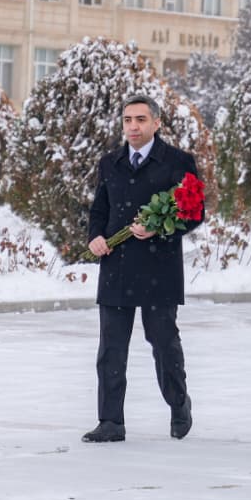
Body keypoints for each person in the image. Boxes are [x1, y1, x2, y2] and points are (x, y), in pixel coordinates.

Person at [82, 94, 202, 443]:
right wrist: (95, 237)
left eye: (140, 120)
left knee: (164, 344)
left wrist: (160, 227)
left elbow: (194, 212)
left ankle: (179, 404)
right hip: (116, 268)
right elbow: (99, 210)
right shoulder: (110, 162)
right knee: (111, 348)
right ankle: (110, 422)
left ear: (157, 123)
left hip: (158, 268)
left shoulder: (179, 162)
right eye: (127, 120)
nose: (133, 127)